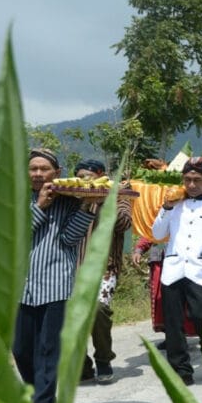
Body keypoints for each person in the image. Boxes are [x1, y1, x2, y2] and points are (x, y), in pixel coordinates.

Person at [13, 148, 98, 403]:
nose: (37, 174)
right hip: (20, 286)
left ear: (57, 173)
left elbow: (68, 240)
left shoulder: (70, 201)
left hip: (55, 285)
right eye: (32, 169)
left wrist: (87, 208)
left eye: (43, 169)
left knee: (48, 351)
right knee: (21, 349)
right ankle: (40, 399)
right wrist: (39, 205)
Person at [152, 157, 202, 386]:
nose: (191, 185)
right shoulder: (173, 204)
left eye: (197, 180)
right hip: (174, 270)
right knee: (173, 324)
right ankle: (181, 371)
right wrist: (166, 208)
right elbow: (157, 234)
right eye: (187, 179)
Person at [74, 159, 133, 384]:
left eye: (88, 177)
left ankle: (103, 359)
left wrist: (103, 199)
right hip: (71, 268)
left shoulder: (119, 195)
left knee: (98, 310)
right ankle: (82, 364)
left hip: (104, 269)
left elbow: (124, 223)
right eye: (80, 177)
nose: (83, 181)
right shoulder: (70, 197)